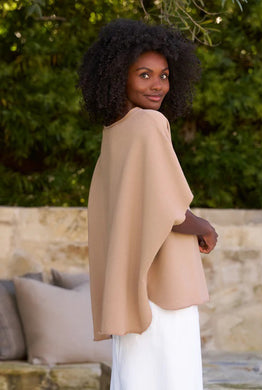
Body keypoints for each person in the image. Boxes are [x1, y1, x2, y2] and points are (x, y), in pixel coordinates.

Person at [78, 19, 218, 390]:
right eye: (144, 75)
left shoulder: (115, 131)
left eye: (164, 75)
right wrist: (202, 227)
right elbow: (168, 208)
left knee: (135, 376)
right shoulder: (148, 124)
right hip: (162, 284)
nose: (158, 85)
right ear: (118, 76)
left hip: (130, 284)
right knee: (175, 376)